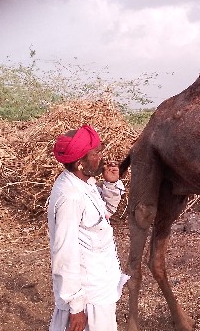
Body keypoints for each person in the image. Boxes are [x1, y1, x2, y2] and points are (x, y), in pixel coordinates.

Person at [47, 124, 128, 331]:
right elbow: (64, 253)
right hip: (87, 294)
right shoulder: (70, 196)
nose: (101, 157)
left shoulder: (86, 183)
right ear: (80, 162)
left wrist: (110, 185)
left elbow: (103, 216)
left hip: (99, 285)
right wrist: (76, 307)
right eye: (96, 153)